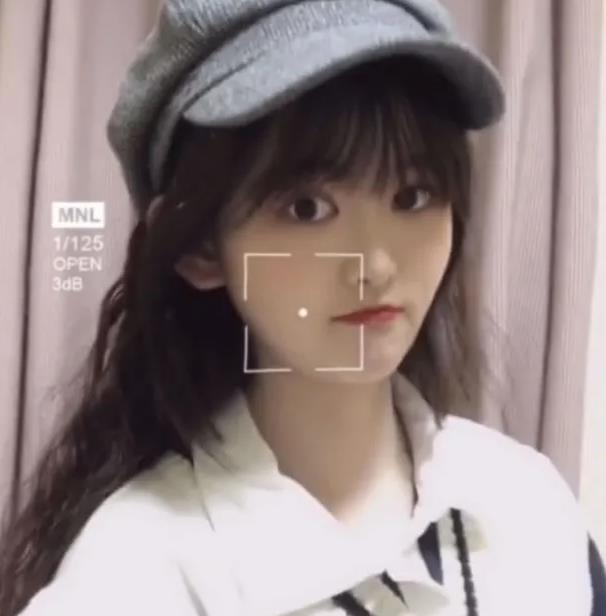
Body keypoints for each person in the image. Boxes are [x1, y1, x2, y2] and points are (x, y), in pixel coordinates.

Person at [0, 0, 604, 614]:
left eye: (413, 195)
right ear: (202, 249)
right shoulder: (132, 577)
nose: (376, 265)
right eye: (307, 208)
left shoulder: (531, 506)